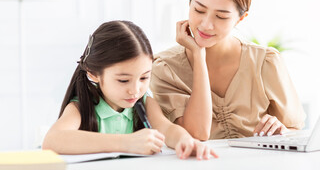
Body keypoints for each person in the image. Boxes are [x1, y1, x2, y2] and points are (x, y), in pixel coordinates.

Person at [150, 0, 306, 141]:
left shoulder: (266, 62)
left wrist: (282, 131)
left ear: (240, 19)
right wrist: (198, 56)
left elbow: (296, 130)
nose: (206, 24)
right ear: (189, 3)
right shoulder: (164, 68)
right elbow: (197, 134)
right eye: (199, 10)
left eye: (221, 16)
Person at [43, 20, 218, 160]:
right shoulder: (81, 107)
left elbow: (167, 128)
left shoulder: (145, 102)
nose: (135, 90)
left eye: (144, 78)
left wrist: (185, 141)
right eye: (123, 80)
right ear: (94, 74)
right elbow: (52, 141)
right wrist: (126, 143)